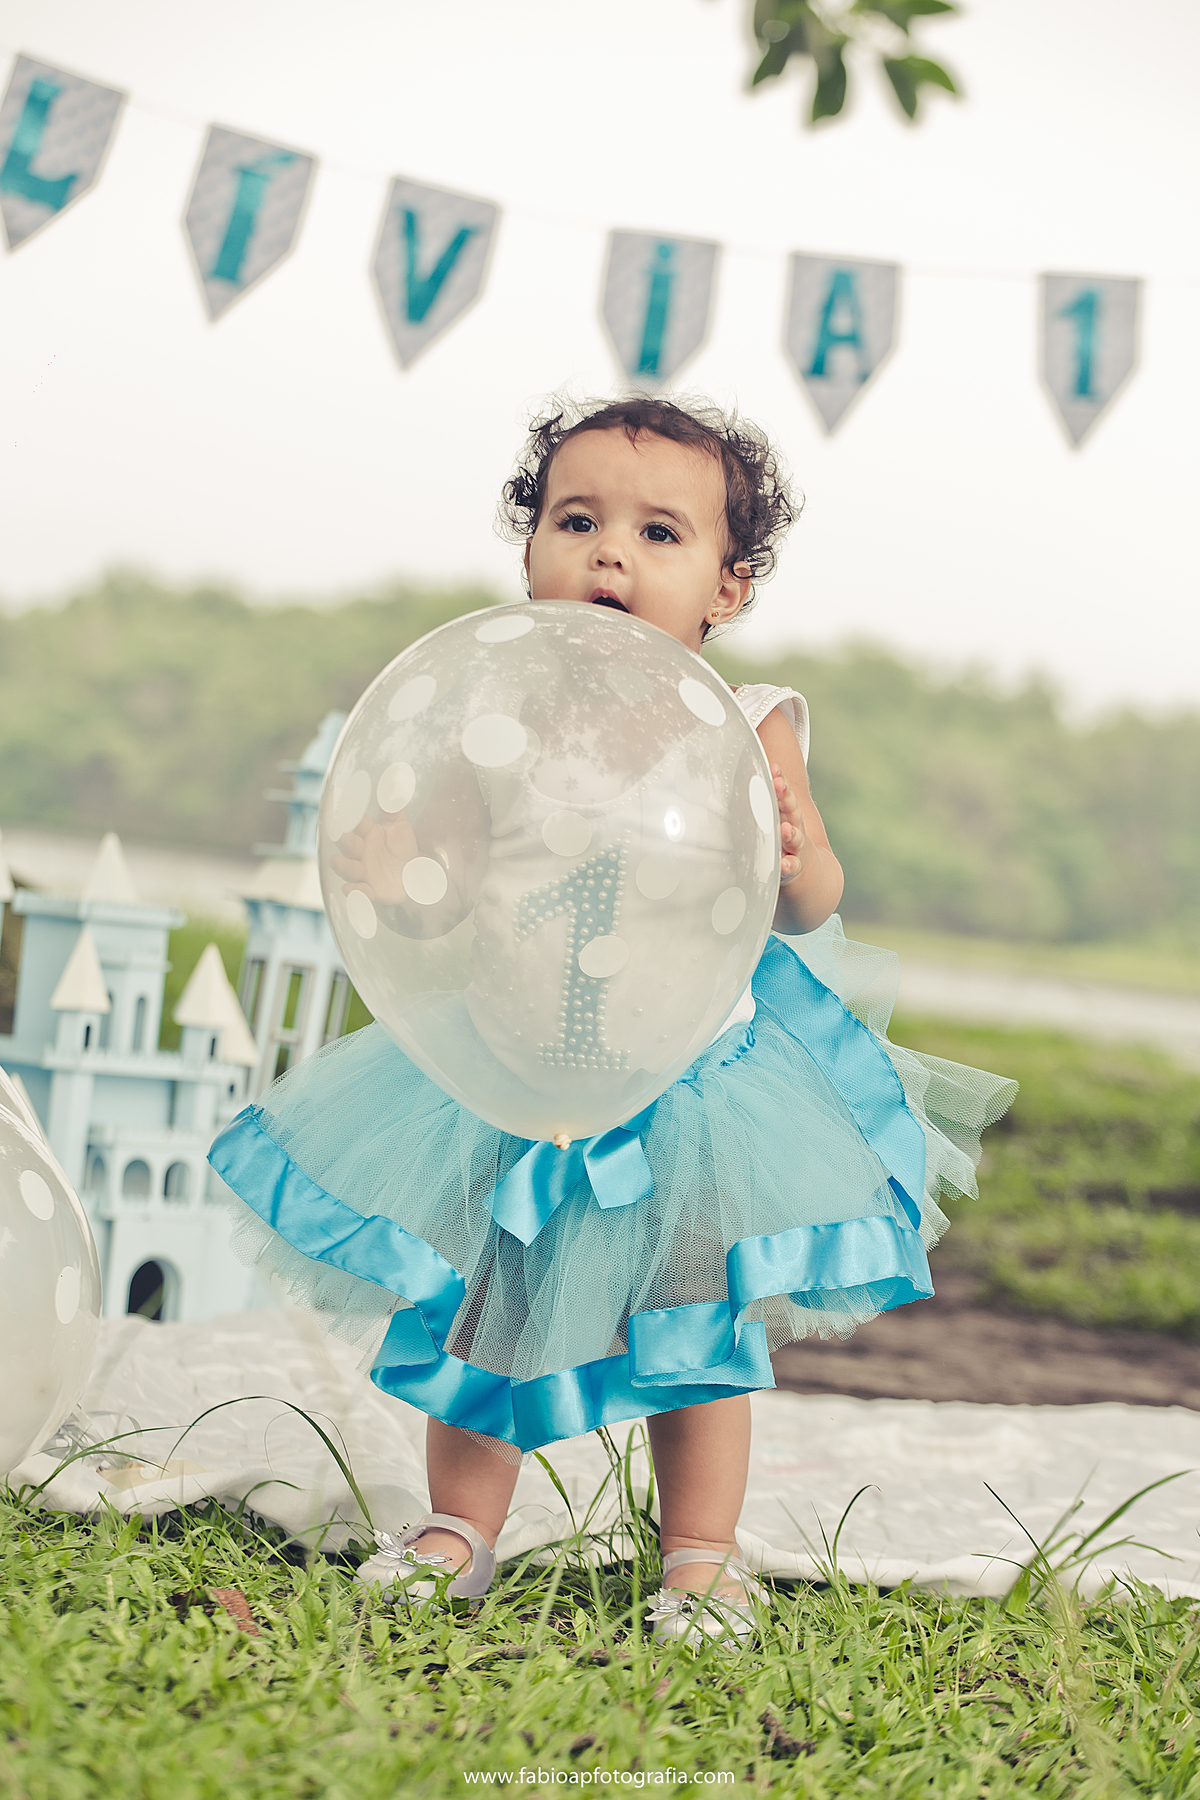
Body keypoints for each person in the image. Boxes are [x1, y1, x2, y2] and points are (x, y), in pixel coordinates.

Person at [209, 396, 1016, 1642]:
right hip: (509, 1068)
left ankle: (699, 1556)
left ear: (727, 587)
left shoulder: (749, 721)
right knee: (489, 1307)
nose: (610, 555)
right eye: (576, 521)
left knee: (698, 1329)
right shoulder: (496, 719)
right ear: (528, 549)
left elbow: (808, 905)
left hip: (692, 1083)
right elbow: (444, 904)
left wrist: (798, 853)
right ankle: (457, 1527)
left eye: (658, 533)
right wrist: (394, 875)